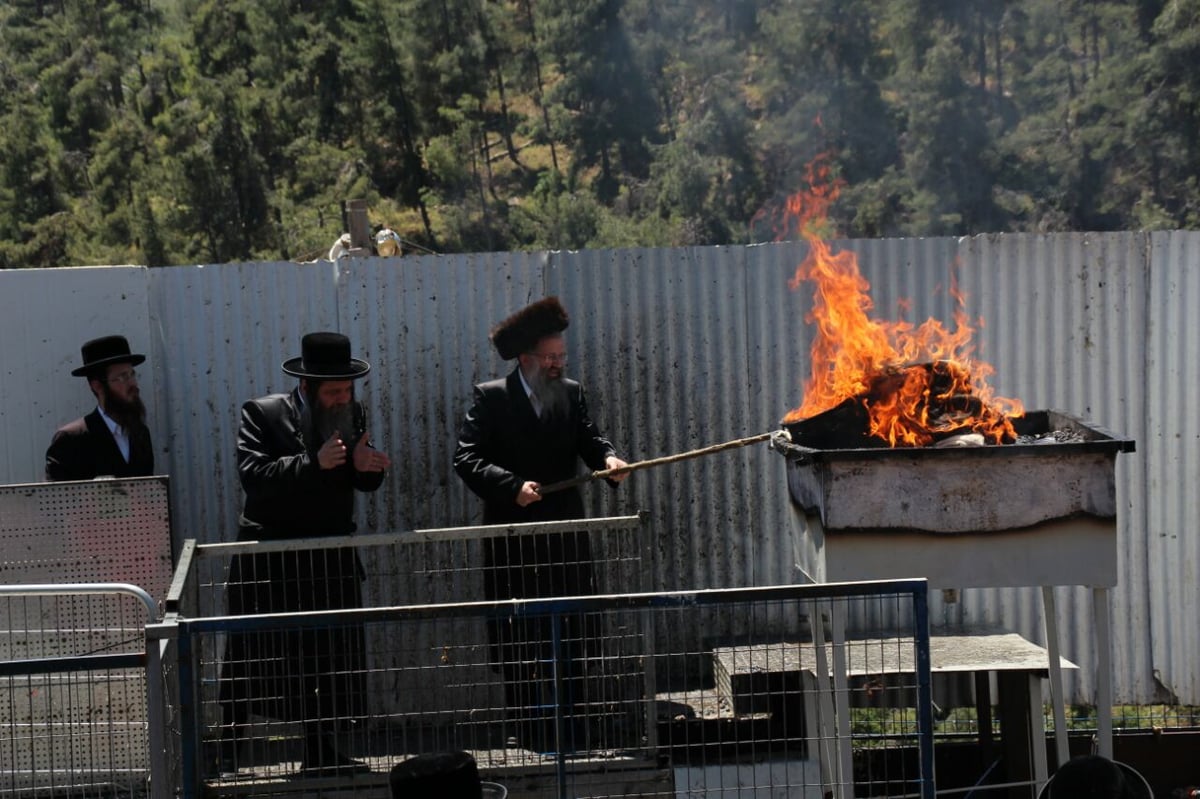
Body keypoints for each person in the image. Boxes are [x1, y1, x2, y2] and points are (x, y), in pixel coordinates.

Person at [453, 296, 628, 752]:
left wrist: (608, 458)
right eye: (550, 358)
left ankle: (571, 727)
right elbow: (466, 458)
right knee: (518, 637)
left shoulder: (570, 393)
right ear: (525, 359)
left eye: (561, 357)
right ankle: (526, 728)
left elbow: (589, 437)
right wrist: (511, 485)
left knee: (569, 634)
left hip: (564, 537)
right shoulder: (491, 399)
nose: (557, 364)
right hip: (513, 539)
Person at [218, 331, 391, 776]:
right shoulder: (263, 413)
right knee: (250, 660)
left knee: (323, 660)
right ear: (308, 387)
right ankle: (225, 753)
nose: (342, 399)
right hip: (271, 562)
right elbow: (255, 477)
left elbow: (357, 478)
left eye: (348, 391)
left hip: (327, 560)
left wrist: (367, 468)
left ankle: (320, 752)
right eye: (333, 392)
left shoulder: (351, 413)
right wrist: (312, 463)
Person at [45, 335, 154, 481]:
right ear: (97, 386)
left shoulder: (140, 434)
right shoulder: (70, 440)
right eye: (122, 377)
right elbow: (55, 500)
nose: (133, 384)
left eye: (132, 375)